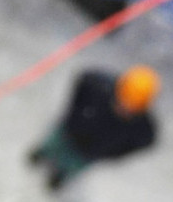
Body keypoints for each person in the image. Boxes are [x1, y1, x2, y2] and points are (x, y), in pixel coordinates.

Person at [27, 66, 160, 191]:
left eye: (132, 108)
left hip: (86, 154)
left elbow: (146, 143)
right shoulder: (99, 87)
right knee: (46, 149)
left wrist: (109, 154)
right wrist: (72, 114)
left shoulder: (143, 127)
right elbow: (83, 80)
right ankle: (36, 159)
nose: (125, 108)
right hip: (68, 131)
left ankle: (55, 182)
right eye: (124, 101)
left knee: (64, 173)